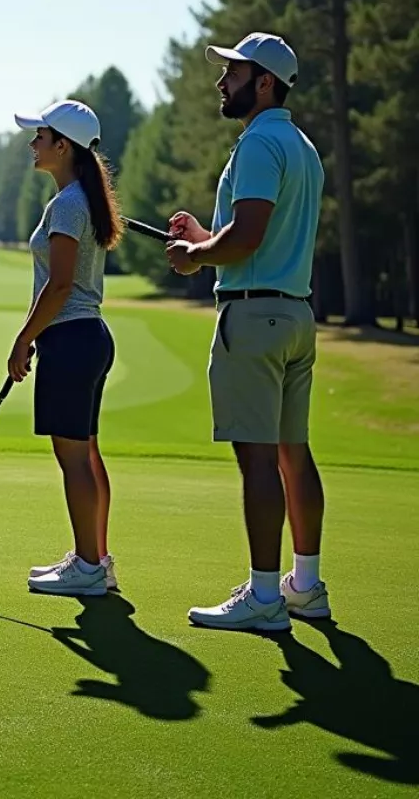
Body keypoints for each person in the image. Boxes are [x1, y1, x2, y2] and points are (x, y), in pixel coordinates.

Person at [166, 32, 327, 633]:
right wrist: (206, 236)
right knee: (293, 453)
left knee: (259, 461)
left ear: (264, 82)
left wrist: (196, 256)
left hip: (253, 320)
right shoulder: (302, 146)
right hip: (294, 316)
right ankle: (304, 587)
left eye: (233, 73)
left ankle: (264, 597)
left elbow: (250, 235)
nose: (221, 81)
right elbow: (253, 235)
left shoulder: (259, 143)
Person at [9, 100, 123, 598]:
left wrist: (23, 339)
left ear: (64, 146)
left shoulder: (69, 204)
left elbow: (57, 287)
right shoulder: (78, 199)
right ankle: (94, 559)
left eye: (41, 136)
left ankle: (89, 567)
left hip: (72, 339)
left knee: (75, 458)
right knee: (88, 455)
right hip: (86, 338)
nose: (32, 144)